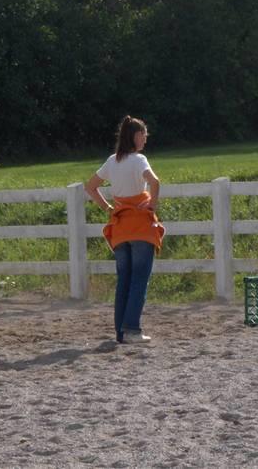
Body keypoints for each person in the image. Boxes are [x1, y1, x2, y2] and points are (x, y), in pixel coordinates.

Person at [85, 116, 164, 344]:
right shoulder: (139, 160)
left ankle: (121, 332)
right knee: (139, 278)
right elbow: (155, 182)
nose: (145, 139)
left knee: (124, 280)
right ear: (136, 136)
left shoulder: (112, 161)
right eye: (144, 135)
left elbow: (90, 187)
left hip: (120, 226)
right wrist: (153, 203)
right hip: (139, 225)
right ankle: (132, 329)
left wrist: (108, 208)